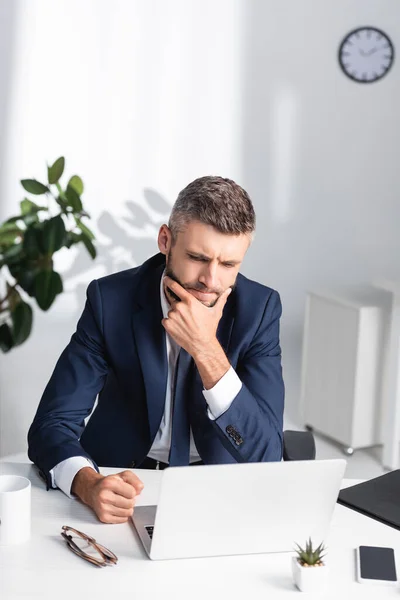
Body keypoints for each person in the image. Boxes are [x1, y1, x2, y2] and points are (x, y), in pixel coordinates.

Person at [28, 176, 284, 524]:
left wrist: (206, 349)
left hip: (216, 488)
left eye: (228, 265)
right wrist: (88, 484)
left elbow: (267, 455)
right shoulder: (110, 301)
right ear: (166, 241)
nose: (211, 280)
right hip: (122, 480)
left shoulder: (259, 310)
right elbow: (52, 424)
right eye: (197, 257)